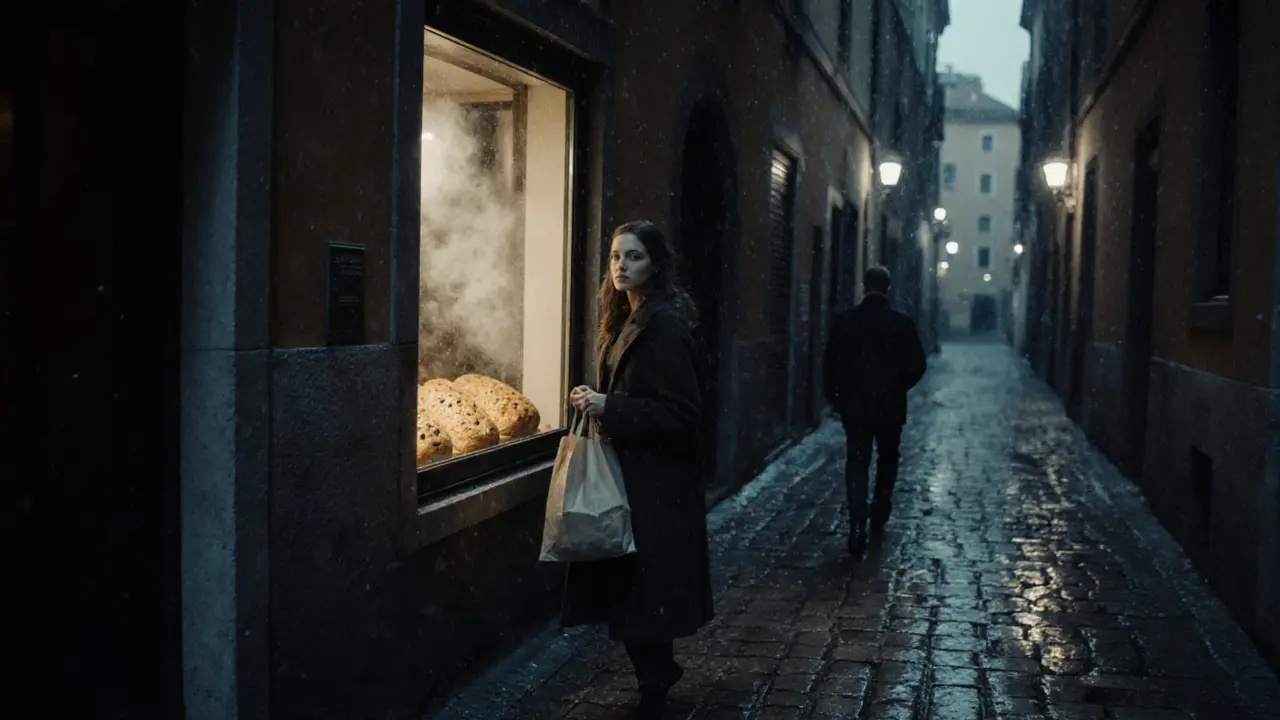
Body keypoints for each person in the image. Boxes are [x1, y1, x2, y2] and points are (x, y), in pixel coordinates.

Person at [563, 220, 714, 718]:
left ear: (656, 264)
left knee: (641, 593)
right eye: (615, 257)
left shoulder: (664, 325)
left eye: (634, 257)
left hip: (657, 482)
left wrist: (611, 405)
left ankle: (655, 685)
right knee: (633, 592)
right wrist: (596, 399)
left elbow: (684, 411)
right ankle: (657, 673)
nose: (621, 266)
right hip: (631, 474)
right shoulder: (624, 317)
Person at [823, 265, 927, 555]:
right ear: (888, 288)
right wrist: (898, 386)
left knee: (857, 461)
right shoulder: (902, 323)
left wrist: (838, 397)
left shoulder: (846, 321)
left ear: (863, 286)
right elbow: (918, 365)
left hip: (855, 407)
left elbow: (830, 365)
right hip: (890, 407)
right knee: (888, 457)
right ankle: (880, 506)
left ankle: (857, 524)